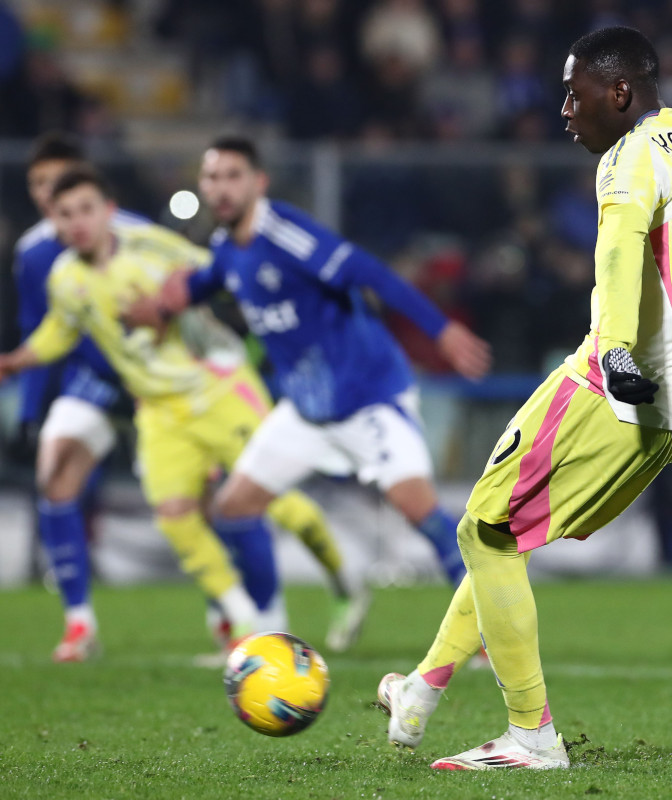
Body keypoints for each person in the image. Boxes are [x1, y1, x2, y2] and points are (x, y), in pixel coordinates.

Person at [375, 26, 672, 771]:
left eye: (574, 94)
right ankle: (421, 689)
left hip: (620, 382)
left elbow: (617, 256)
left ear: (621, 93)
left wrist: (611, 350)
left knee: (483, 531)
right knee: (504, 534)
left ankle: (532, 736)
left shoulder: (629, 157)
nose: (565, 110)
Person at [0, 167, 342, 650]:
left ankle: (341, 576)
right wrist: (17, 361)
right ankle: (245, 621)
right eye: (64, 215)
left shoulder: (150, 247)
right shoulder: (65, 278)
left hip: (216, 387)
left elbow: (216, 273)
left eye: (85, 210)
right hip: (160, 409)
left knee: (277, 503)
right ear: (53, 223)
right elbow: (61, 328)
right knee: (176, 514)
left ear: (109, 213)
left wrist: (168, 305)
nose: (76, 223)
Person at [137, 135, 490, 599]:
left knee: (417, 507)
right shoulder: (226, 248)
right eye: (212, 177)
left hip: (369, 398)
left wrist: (439, 328)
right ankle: (261, 633)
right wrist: (164, 307)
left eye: (232, 176)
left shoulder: (284, 234)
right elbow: (205, 283)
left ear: (258, 182)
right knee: (235, 508)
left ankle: (490, 620)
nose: (221, 188)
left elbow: (368, 271)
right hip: (306, 411)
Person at [12, 133, 145, 661]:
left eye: (59, 180)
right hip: (90, 381)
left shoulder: (137, 234)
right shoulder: (33, 251)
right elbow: (36, 329)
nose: (48, 193)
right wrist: (28, 410)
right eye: (38, 184)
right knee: (55, 472)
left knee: (192, 498)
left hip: (155, 381)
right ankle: (78, 624)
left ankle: (230, 620)